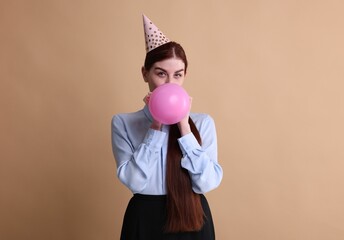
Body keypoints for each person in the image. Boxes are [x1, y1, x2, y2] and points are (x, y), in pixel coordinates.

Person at [111, 14, 223, 240]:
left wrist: (184, 127)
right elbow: (134, 182)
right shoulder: (123, 123)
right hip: (144, 220)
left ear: (185, 76)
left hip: (192, 217)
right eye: (161, 74)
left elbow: (207, 182)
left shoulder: (203, 123)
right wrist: (156, 127)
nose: (170, 84)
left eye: (177, 75)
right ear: (145, 73)